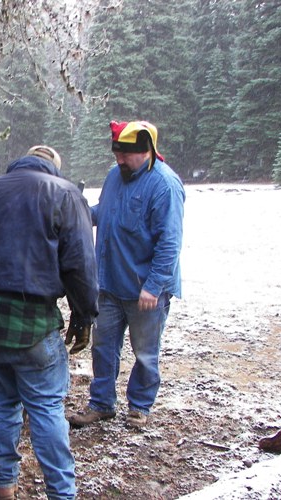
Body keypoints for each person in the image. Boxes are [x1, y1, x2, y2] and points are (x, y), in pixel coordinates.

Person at [0, 145, 99, 500]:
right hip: (31, 320)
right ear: (54, 168)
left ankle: (4, 489)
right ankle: (62, 494)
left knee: (0, 403)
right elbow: (80, 264)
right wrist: (84, 315)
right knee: (47, 407)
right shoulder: (64, 194)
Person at [68, 120, 185, 429]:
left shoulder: (165, 185)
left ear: (146, 151)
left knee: (145, 352)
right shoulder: (114, 176)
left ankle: (140, 406)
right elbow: (103, 213)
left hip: (144, 289)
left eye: (125, 154)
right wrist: (77, 211)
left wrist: (155, 285)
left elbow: (170, 241)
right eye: (116, 153)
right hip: (108, 284)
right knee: (103, 347)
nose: (118, 160)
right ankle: (102, 403)